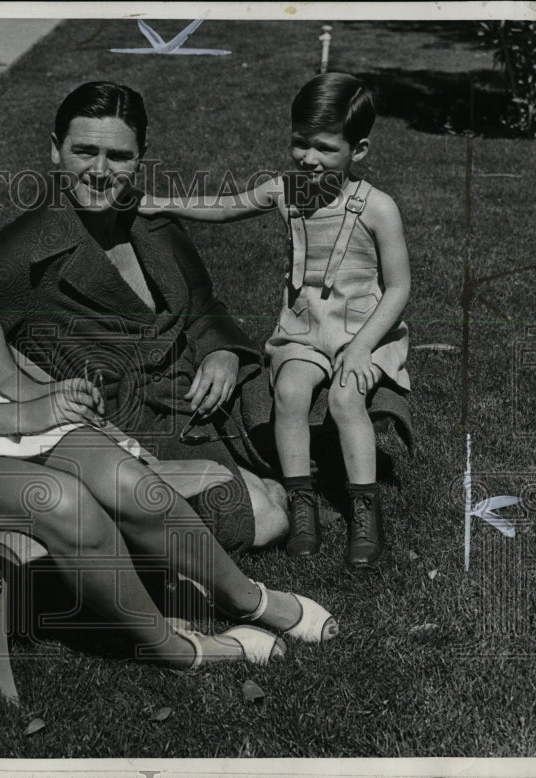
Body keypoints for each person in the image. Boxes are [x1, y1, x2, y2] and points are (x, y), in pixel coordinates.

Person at [0, 109, 339, 677]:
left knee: (136, 484)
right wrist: (26, 413)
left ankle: (249, 600)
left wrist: (63, 402)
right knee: (64, 503)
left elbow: (2, 371)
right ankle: (173, 648)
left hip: (2, 418)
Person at [0, 81, 287, 555]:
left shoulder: (152, 222)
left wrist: (221, 350)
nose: (99, 171)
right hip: (134, 421)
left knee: (307, 423)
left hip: (205, 384)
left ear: (140, 158)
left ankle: (279, 477)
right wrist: (40, 398)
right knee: (263, 516)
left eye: (118, 156)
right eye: (84, 151)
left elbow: (203, 306)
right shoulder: (22, 253)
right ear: (55, 151)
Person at [140, 73, 411, 568]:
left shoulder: (378, 209)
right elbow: (226, 209)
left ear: (360, 150)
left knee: (348, 396)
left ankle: (364, 509)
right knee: (289, 391)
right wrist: (164, 202)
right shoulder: (285, 192)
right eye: (299, 143)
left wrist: (361, 347)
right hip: (304, 329)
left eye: (325, 148)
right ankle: (301, 499)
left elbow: (399, 289)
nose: (308, 158)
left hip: (363, 332)